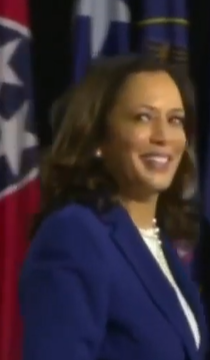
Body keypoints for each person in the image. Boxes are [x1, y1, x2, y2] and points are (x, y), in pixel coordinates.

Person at [19, 55, 208, 360]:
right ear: (98, 138)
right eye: (143, 117)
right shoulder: (75, 235)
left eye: (175, 120)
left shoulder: (158, 241)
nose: (163, 137)